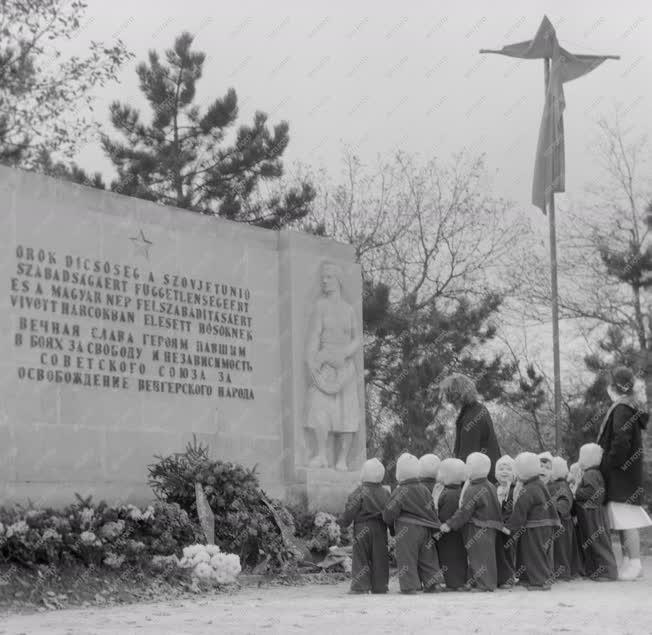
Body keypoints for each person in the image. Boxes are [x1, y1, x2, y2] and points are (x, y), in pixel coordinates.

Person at [304, 261, 362, 470]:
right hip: (326, 362)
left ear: (338, 280)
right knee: (318, 406)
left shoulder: (348, 309)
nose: (324, 281)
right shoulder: (321, 306)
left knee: (348, 412)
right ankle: (321, 455)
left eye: (328, 277)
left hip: (345, 366)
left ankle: (342, 459)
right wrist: (312, 360)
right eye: (323, 277)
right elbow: (314, 335)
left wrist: (344, 353)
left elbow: (357, 338)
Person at [596, 365, 651, 581]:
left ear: (613, 387)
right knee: (621, 519)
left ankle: (635, 562)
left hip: (621, 474)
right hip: (626, 474)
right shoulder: (628, 407)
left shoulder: (621, 409)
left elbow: (620, 441)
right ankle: (628, 561)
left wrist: (608, 463)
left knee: (626, 520)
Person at [440, 452, 503, 592]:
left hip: (477, 527)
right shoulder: (491, 486)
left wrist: (449, 524)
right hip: (491, 527)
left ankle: (484, 585)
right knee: (488, 556)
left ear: (475, 469)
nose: (466, 468)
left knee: (478, 557)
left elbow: (464, 512)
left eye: (468, 465)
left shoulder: (473, 489)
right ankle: (486, 582)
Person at [383, 453, 444, 593]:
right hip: (426, 529)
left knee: (407, 557)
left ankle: (410, 586)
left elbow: (389, 512)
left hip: (406, 530)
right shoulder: (424, 490)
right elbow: (432, 509)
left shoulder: (400, 491)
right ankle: (433, 584)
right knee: (428, 557)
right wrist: (435, 526)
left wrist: (389, 524)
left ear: (399, 474)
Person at [506, 452, 561, 591]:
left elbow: (520, 511)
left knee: (535, 553)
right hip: (544, 525)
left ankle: (540, 581)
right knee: (529, 552)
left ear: (523, 472)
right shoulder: (539, 484)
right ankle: (526, 577)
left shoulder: (528, 490)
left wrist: (510, 527)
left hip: (535, 527)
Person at [339, 458, 392, 594]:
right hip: (380, 528)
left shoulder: (360, 491)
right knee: (380, 557)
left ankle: (360, 586)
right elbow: (391, 512)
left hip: (362, 528)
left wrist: (343, 523)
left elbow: (351, 509)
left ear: (363, 474)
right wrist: (392, 529)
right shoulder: (386, 493)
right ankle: (380, 586)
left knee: (361, 556)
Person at [439, 374, 501, 482]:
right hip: (489, 478)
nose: (447, 399)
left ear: (456, 394)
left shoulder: (471, 418)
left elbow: (466, 457)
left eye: (449, 394)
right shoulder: (479, 409)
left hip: (480, 481)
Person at [574, 443, 618, 581]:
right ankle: (596, 570)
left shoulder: (591, 474)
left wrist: (576, 492)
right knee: (593, 542)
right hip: (592, 513)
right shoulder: (593, 473)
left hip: (592, 514)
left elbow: (592, 492)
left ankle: (608, 572)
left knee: (598, 542)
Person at [434, 458, 468, 591]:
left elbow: (445, 514)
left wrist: (439, 527)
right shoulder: (459, 492)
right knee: (459, 556)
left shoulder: (449, 494)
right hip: (458, 532)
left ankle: (454, 583)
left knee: (449, 558)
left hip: (448, 534)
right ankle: (459, 581)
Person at [547, 457, 574, 581]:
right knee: (556, 549)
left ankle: (563, 573)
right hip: (555, 521)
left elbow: (565, 503)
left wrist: (555, 509)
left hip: (562, 523)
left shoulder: (562, 485)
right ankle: (556, 571)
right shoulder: (552, 484)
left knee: (562, 549)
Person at [494, 455, 517, 587]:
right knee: (496, 552)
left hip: (508, 528)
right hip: (495, 526)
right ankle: (497, 577)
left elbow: (514, 509)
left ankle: (508, 578)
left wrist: (506, 524)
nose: (504, 471)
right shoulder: (493, 488)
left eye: (508, 469)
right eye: (501, 468)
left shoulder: (515, 490)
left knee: (507, 552)